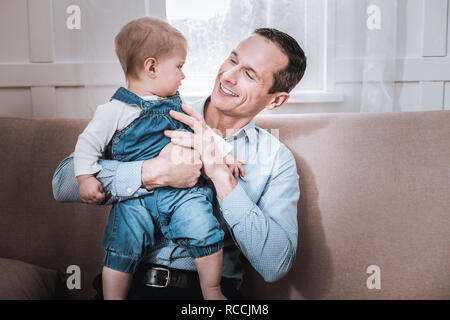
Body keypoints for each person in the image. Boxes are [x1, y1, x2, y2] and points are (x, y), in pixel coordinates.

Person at [52, 26, 307, 300]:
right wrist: (153, 173)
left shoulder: (275, 160)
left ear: (276, 100)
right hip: (125, 284)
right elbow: (63, 183)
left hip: (204, 295)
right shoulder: (155, 109)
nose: (228, 76)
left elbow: (275, 265)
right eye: (232, 60)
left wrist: (222, 177)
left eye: (249, 74)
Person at [72, 17, 244, 300]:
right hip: (134, 199)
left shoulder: (178, 104)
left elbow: (204, 135)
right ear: (151, 67)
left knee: (204, 228)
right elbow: (87, 144)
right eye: (179, 66)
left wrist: (226, 156)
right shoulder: (113, 110)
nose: (183, 75)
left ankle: (211, 289)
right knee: (121, 245)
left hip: (182, 193)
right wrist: (85, 178)